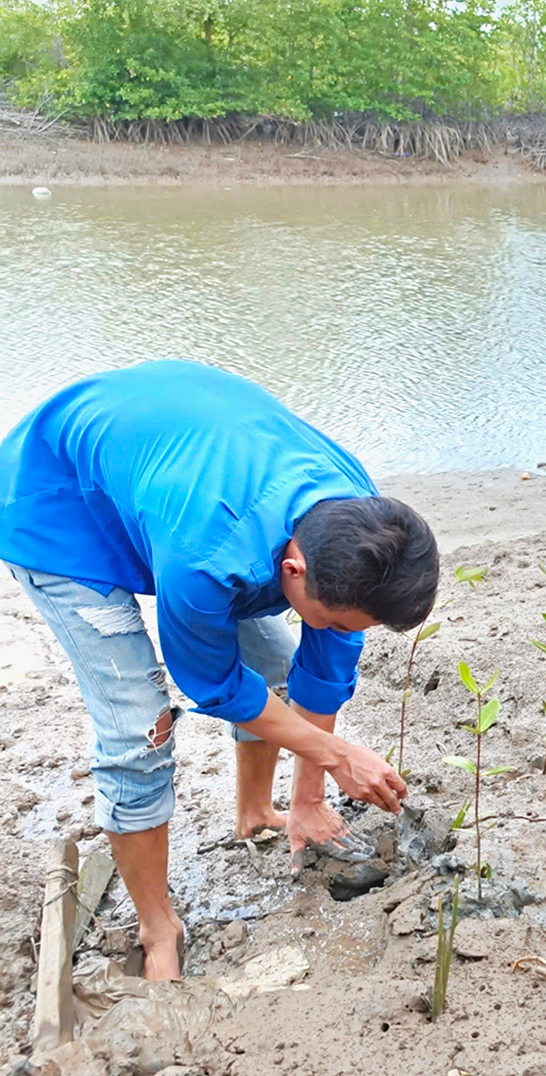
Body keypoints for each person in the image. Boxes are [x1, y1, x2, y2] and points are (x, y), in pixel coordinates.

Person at [0, 360, 438, 981]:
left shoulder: (356, 522)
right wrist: (339, 755)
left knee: (278, 672)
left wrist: (311, 796)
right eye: (342, 622)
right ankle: (158, 929)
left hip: (175, 474)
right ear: (293, 571)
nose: (348, 637)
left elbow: (322, 667)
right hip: (56, 506)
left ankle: (256, 813)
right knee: (138, 729)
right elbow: (213, 684)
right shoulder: (206, 561)